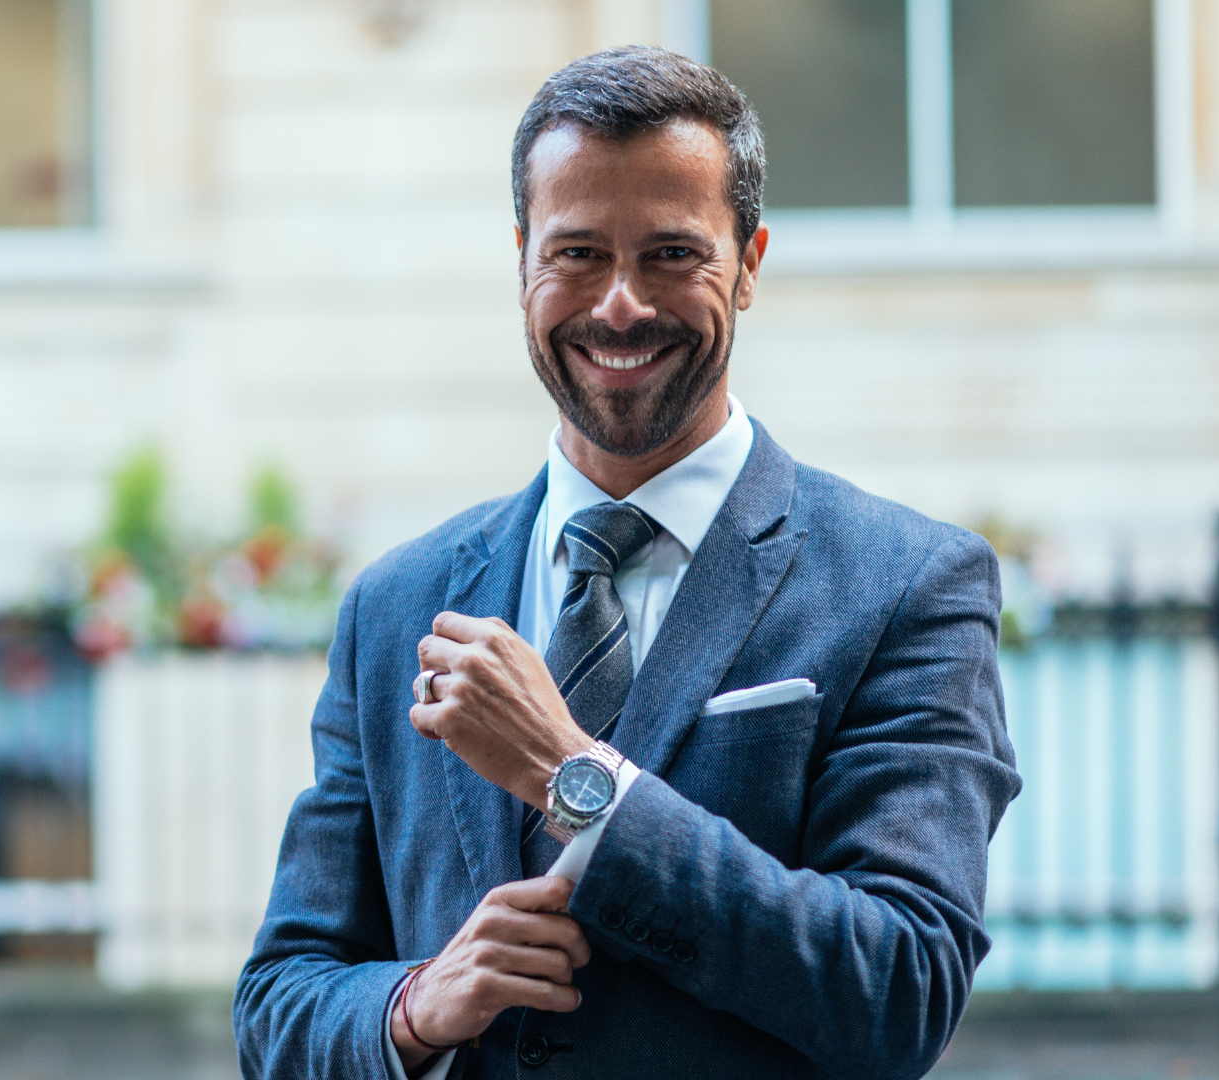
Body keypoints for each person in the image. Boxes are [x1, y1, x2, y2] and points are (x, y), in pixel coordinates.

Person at [232, 46, 1020, 1080]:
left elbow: (900, 990)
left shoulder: (908, 585)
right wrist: (416, 1005)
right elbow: (278, 1005)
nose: (616, 305)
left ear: (749, 264)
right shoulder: (397, 605)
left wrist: (576, 780)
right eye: (576, 254)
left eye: (670, 256)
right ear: (521, 260)